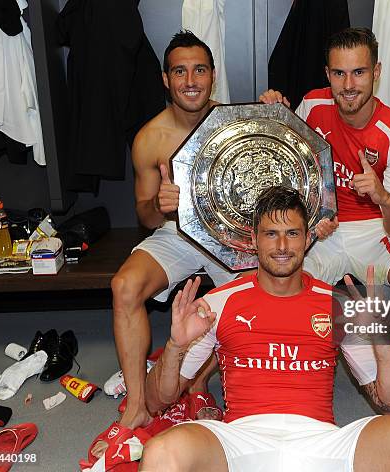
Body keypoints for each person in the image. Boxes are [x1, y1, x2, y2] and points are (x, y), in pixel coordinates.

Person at [140, 186, 390, 472]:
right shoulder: (219, 302)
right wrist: (175, 346)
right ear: (253, 239)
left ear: (307, 239)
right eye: (270, 234)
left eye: (292, 233)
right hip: (239, 440)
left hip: (320, 442)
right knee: (160, 452)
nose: (281, 245)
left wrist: (382, 342)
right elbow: (157, 402)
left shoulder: (339, 304)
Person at [259, 27, 390, 415]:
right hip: (324, 228)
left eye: (358, 72)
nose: (348, 84)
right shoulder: (311, 106)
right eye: (339, 74)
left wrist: (380, 195)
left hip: (376, 230)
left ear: (376, 72)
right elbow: (278, 160)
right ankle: (283, 380)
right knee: (275, 279)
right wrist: (272, 109)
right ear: (327, 74)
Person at [88, 31, 237, 461]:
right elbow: (144, 215)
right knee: (125, 287)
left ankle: (200, 382)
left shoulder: (235, 123)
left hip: (230, 237)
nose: (190, 79)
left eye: (200, 69)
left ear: (212, 75)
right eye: (180, 71)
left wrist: (275, 107)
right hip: (176, 232)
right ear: (165, 78)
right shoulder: (150, 138)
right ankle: (136, 406)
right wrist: (160, 204)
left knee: (247, 298)